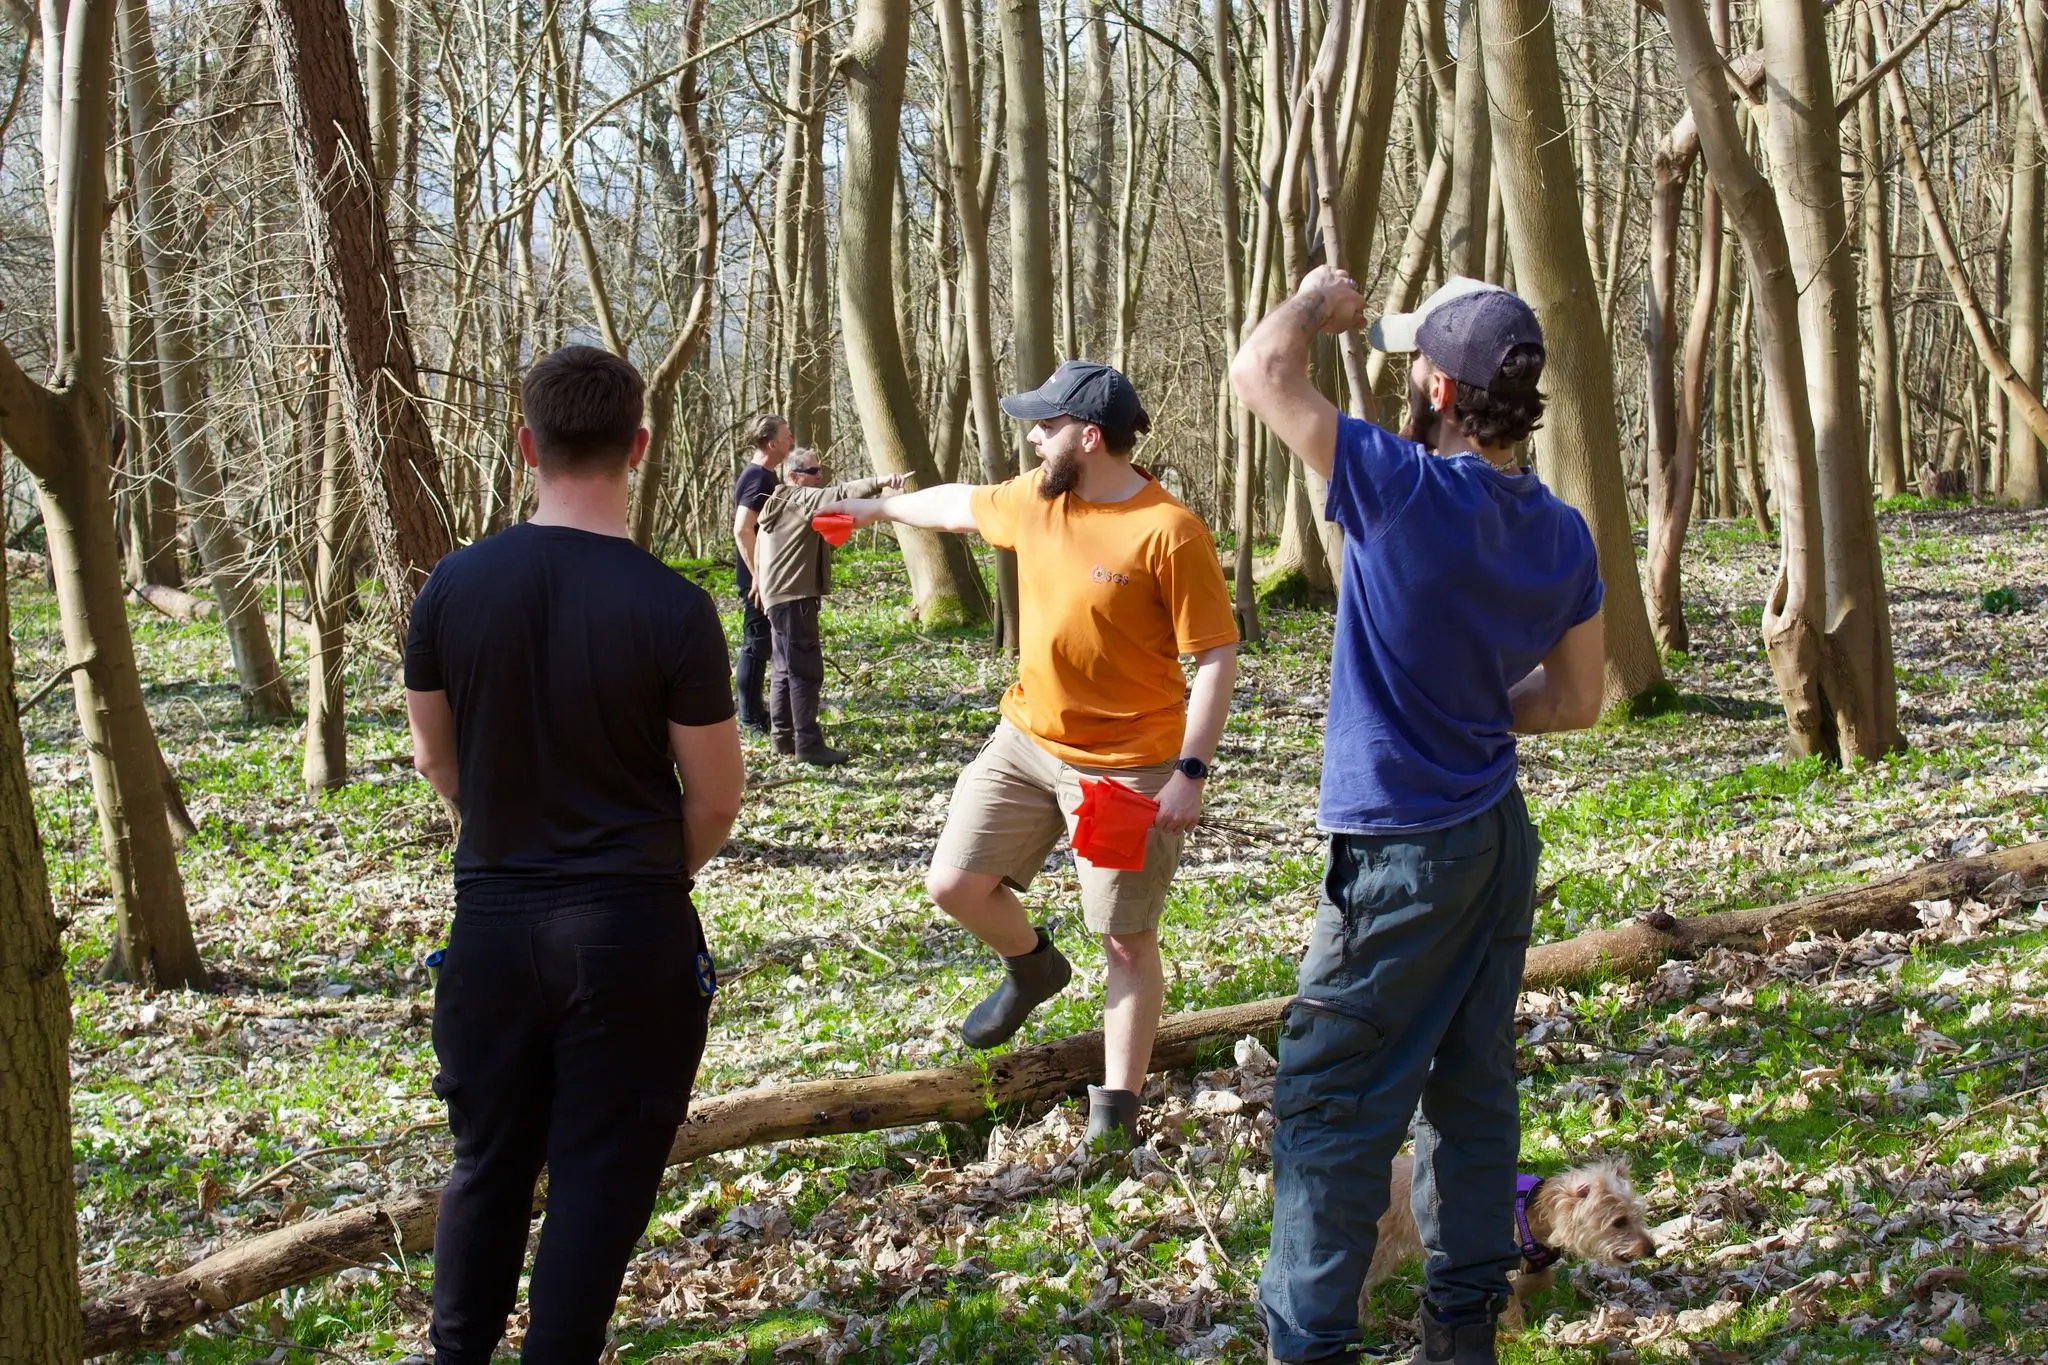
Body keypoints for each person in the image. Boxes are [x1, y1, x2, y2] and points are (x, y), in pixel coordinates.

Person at [1230, 270, 1606, 1365]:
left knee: (1330, 1108)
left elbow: (1260, 372)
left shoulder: (1398, 485)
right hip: (1495, 840)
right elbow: (1576, 702)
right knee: (1471, 1090)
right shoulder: (1563, 534)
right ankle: (1461, 1333)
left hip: (1398, 853)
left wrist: (1308, 301)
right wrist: (1474, 703)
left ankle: (1307, 1347)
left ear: (1437, 386)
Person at [405, 345, 745, 1365]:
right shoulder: (673, 608)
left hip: (493, 928)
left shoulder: (451, 590)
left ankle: (455, 1352)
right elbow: (717, 797)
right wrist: (641, 874)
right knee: (599, 1174)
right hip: (627, 932)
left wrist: (511, 822)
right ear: (637, 447)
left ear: (526, 447)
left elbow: (434, 758)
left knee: (487, 1164)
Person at [832, 361, 1238, 1147]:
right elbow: (955, 505)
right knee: (954, 882)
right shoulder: (1039, 498)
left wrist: (1191, 771)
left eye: (1045, 425)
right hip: (1025, 742)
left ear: (1089, 436)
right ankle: (1032, 966)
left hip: (1125, 769)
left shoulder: (1169, 530)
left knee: (1124, 938)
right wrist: (874, 507)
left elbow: (1216, 657)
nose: (1030, 435)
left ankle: (1116, 1116)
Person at [753, 449, 907, 763]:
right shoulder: (801, 499)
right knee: (805, 673)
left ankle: (782, 737)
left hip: (776, 599)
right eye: (813, 472)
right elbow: (840, 495)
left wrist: (761, 583)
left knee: (783, 671)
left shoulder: (776, 502)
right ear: (794, 476)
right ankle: (808, 746)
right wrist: (880, 481)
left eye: (820, 470)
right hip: (795, 599)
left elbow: (759, 545)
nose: (820, 477)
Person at [733, 413, 795, 733]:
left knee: (759, 644)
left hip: (763, 573)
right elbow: (743, 529)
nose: (791, 442)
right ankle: (749, 717)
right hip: (756, 577)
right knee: (755, 645)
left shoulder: (764, 475)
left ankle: (755, 712)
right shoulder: (758, 479)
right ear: (772, 443)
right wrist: (758, 575)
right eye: (787, 437)